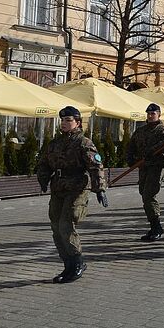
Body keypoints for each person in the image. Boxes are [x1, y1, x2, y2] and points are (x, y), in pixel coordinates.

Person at [36, 106, 108, 283]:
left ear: (77, 122)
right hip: (58, 188)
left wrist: (100, 189)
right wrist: (43, 179)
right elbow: (44, 163)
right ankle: (67, 264)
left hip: (77, 188)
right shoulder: (55, 143)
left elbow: (95, 166)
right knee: (55, 226)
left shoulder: (84, 143)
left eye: (68, 120)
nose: (64, 124)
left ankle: (77, 263)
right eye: (62, 120)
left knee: (66, 226)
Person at [126, 103, 164, 242]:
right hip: (144, 167)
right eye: (148, 113)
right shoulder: (141, 131)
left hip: (156, 167)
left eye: (153, 113)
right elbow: (131, 146)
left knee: (149, 195)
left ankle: (156, 226)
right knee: (144, 193)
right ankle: (154, 225)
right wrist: (130, 160)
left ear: (159, 115)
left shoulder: (163, 131)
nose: (150, 115)